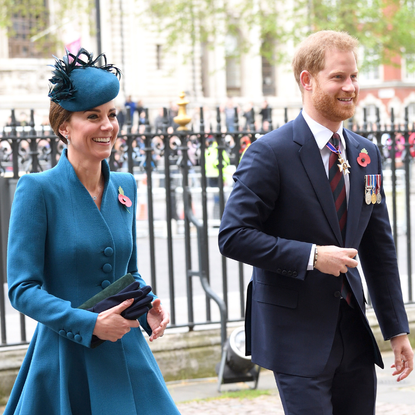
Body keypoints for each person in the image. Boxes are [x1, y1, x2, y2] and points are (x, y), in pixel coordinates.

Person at [218, 30, 413, 415]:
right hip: (296, 337)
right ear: (307, 80)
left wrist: (397, 331)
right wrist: (311, 256)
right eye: (338, 77)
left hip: (353, 335)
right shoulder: (269, 153)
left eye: (354, 76)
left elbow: (379, 248)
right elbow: (233, 235)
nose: (350, 87)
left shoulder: (366, 154)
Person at [5, 48, 180, 415]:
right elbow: (21, 289)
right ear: (64, 127)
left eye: (112, 115)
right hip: (66, 357)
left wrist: (145, 306)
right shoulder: (38, 190)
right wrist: (89, 324)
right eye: (93, 116)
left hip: (127, 352)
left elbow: (126, 271)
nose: (107, 126)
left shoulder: (126, 185)